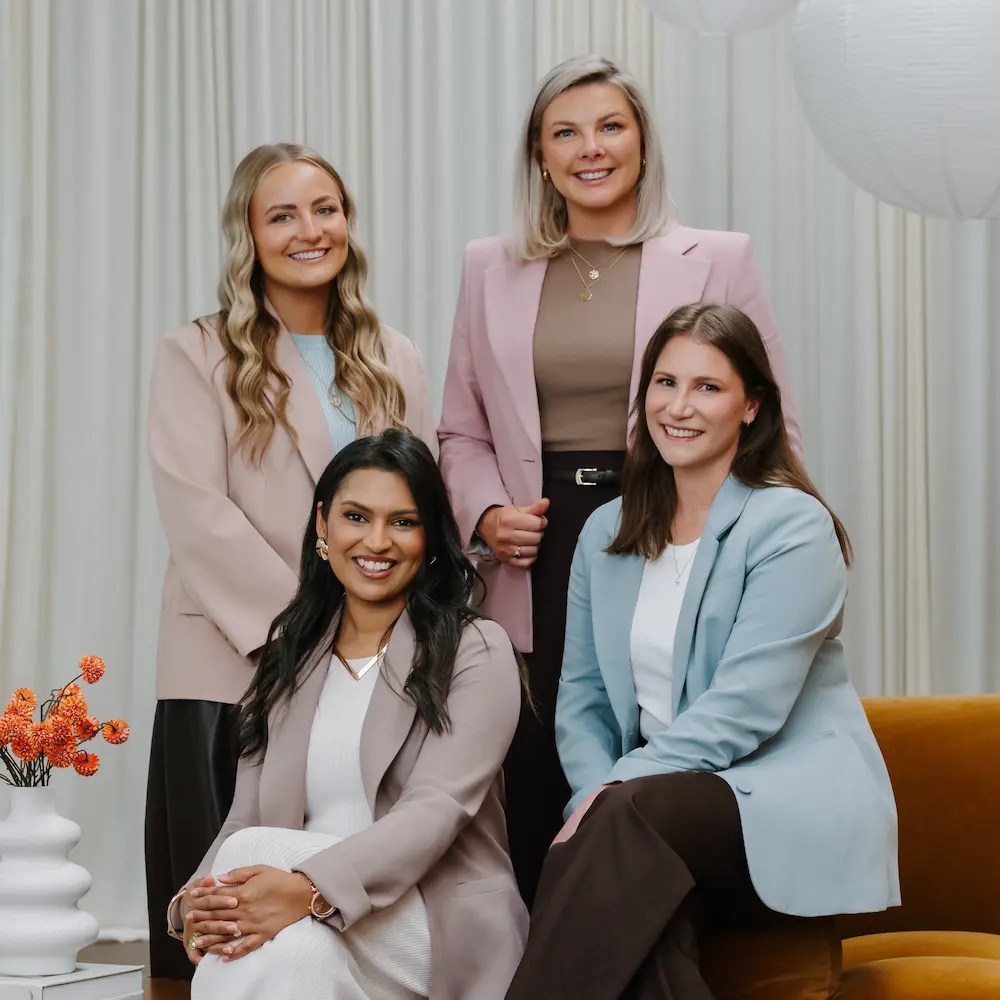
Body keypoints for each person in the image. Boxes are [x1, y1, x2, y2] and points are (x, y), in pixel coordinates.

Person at [437, 54, 803, 905]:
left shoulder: (717, 255)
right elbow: (460, 427)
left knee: (657, 742)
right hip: (538, 542)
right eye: (565, 132)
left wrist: (762, 546)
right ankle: (545, 955)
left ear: (643, 142)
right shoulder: (489, 264)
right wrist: (487, 512)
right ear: (539, 155)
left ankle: (650, 946)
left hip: (670, 524)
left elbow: (768, 411)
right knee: (537, 763)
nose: (589, 148)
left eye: (610, 127)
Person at [505, 304, 899, 999]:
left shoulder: (790, 526)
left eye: (708, 388)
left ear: (752, 407)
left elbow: (743, 709)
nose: (678, 407)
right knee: (642, 917)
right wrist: (594, 797)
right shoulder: (605, 532)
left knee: (621, 827)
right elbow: (584, 698)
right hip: (654, 815)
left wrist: (608, 793)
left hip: (776, 806)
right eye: (664, 383)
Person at [146, 143, 436, 979]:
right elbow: (198, 514)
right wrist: (312, 633)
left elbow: (419, 504)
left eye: (326, 210)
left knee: (333, 897)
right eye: (283, 215)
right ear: (249, 234)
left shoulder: (395, 355)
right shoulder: (196, 353)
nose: (310, 231)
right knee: (223, 918)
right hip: (234, 663)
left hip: (370, 667)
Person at [166, 430, 527, 1000]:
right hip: (299, 915)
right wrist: (192, 904)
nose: (377, 542)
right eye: (356, 516)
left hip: (427, 917)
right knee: (292, 954)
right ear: (322, 526)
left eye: (403, 522)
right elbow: (244, 815)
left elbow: (435, 811)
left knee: (248, 871)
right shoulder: (292, 652)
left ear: (431, 537)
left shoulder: (475, 648)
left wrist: (309, 888)